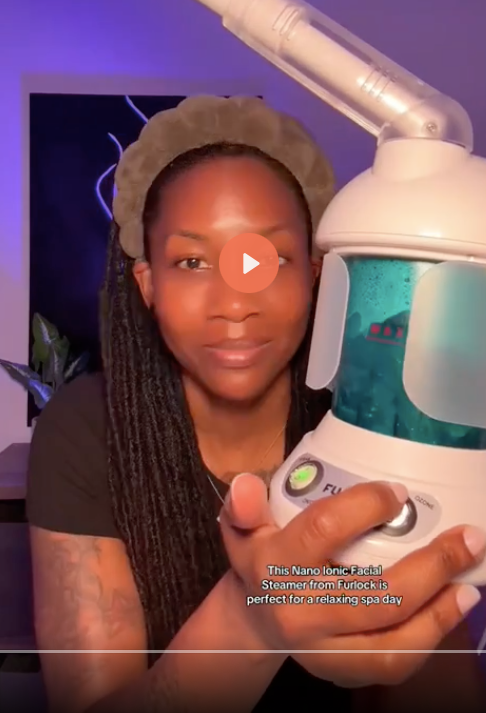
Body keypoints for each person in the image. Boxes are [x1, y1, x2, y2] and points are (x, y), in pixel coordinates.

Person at [26, 96, 486, 713]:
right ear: (149, 284)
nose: (235, 305)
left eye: (267, 260)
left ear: (316, 273)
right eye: (192, 261)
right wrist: (255, 617)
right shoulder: (86, 432)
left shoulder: (377, 413)